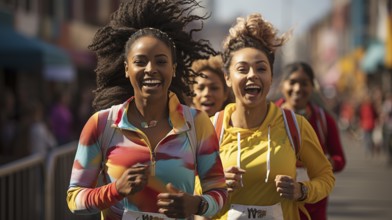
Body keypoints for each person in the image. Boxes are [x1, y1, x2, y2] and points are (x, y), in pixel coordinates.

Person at [66, 1, 227, 220]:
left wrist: (196, 204)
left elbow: (219, 194)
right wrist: (115, 190)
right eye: (140, 62)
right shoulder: (101, 124)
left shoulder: (196, 123)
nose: (151, 69)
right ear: (126, 69)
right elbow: (74, 200)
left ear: (173, 68)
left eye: (161, 61)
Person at [198, 13, 335, 220]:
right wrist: (214, 185)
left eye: (261, 68)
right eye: (242, 69)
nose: (252, 75)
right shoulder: (210, 128)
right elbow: (191, 186)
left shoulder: (294, 125)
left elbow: (325, 177)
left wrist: (302, 190)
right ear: (227, 77)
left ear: (271, 76)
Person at [275, 61, 346, 220]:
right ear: (282, 86)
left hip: (314, 204)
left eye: (304, 83)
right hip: (277, 202)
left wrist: (324, 163)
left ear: (312, 87)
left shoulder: (324, 120)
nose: (298, 89)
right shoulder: (269, 119)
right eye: (292, 82)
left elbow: (340, 159)